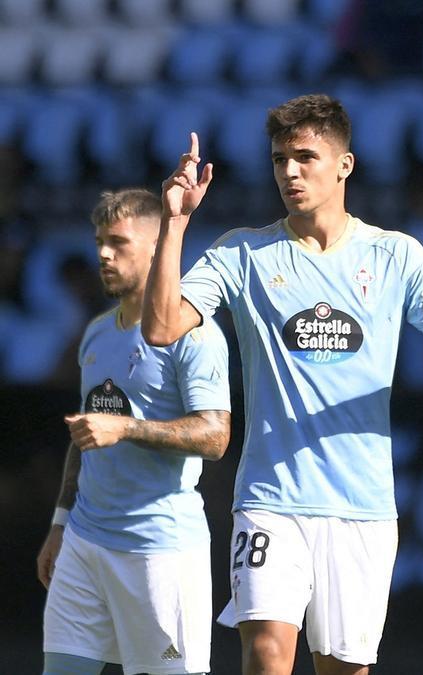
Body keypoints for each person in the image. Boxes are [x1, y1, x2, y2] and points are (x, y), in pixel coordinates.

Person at [141, 95, 423, 675]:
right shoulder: (241, 252)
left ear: (345, 165)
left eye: (305, 157)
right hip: (270, 500)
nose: (289, 172)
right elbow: (160, 326)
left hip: (361, 507)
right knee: (265, 653)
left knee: (343, 669)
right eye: (280, 158)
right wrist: (176, 223)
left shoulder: (397, 256)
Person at [37, 188, 232, 675]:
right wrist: (61, 524)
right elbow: (85, 437)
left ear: (155, 246)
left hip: (159, 552)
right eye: (100, 241)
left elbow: (215, 436)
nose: (103, 253)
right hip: (84, 542)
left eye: (118, 242)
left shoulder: (197, 334)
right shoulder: (98, 332)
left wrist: (125, 428)